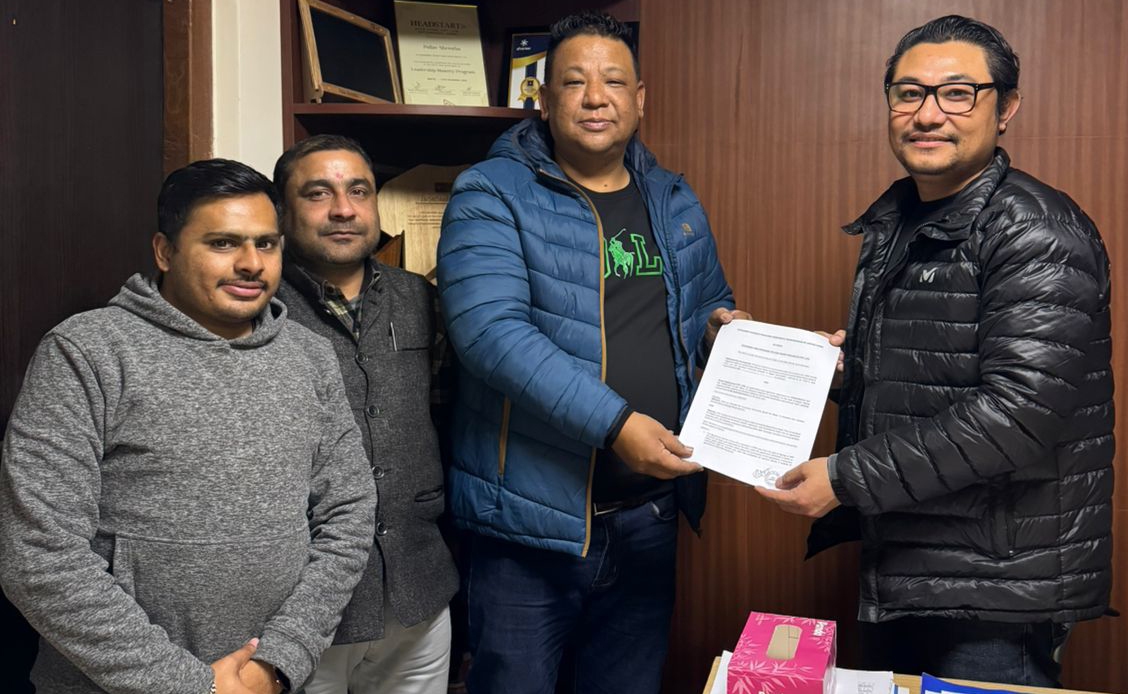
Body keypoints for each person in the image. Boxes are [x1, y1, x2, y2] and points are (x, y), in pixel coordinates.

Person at [758, 15, 1114, 687]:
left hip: (995, 590)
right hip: (911, 564)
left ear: (1006, 108)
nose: (927, 114)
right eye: (908, 93)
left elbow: (1019, 415)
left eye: (957, 93)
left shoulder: (1034, 229)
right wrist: (822, 369)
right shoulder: (904, 219)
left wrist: (843, 479)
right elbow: (934, 378)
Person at [437, 10, 744, 694]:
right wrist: (617, 424)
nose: (595, 97)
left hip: (648, 517)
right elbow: (491, 334)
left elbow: (706, 307)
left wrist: (729, 332)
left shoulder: (672, 198)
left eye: (614, 81)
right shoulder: (490, 193)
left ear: (641, 98)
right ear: (544, 101)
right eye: (574, 82)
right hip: (527, 531)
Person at [0, 159, 376, 694]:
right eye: (223, 243)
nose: (251, 264)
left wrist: (279, 660)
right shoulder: (87, 351)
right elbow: (38, 555)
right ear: (164, 251)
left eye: (266, 244)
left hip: (268, 680)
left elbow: (349, 512)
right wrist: (193, 686)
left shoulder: (310, 356)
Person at [272, 135, 459, 694]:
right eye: (317, 194)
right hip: (300, 605)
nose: (343, 209)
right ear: (282, 211)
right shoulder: (258, 306)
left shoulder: (419, 297)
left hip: (417, 588)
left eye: (359, 191)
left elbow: (446, 417)